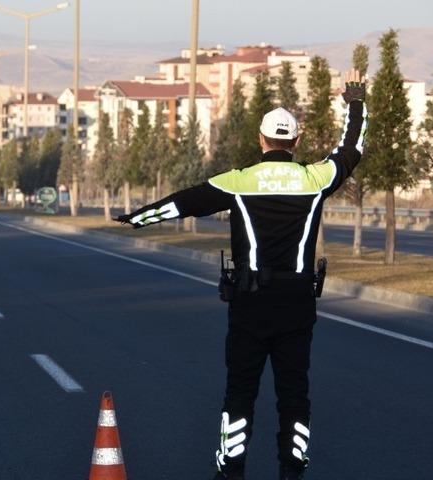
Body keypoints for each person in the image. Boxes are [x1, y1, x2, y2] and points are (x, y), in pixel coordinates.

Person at [116, 70, 367, 480]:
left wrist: (137, 218)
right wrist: (355, 99)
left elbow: (186, 202)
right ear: (296, 142)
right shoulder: (315, 178)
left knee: (240, 393)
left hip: (250, 304)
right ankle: (292, 470)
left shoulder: (239, 181)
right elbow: (352, 147)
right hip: (297, 305)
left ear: (261, 140)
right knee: (294, 394)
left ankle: (231, 471)